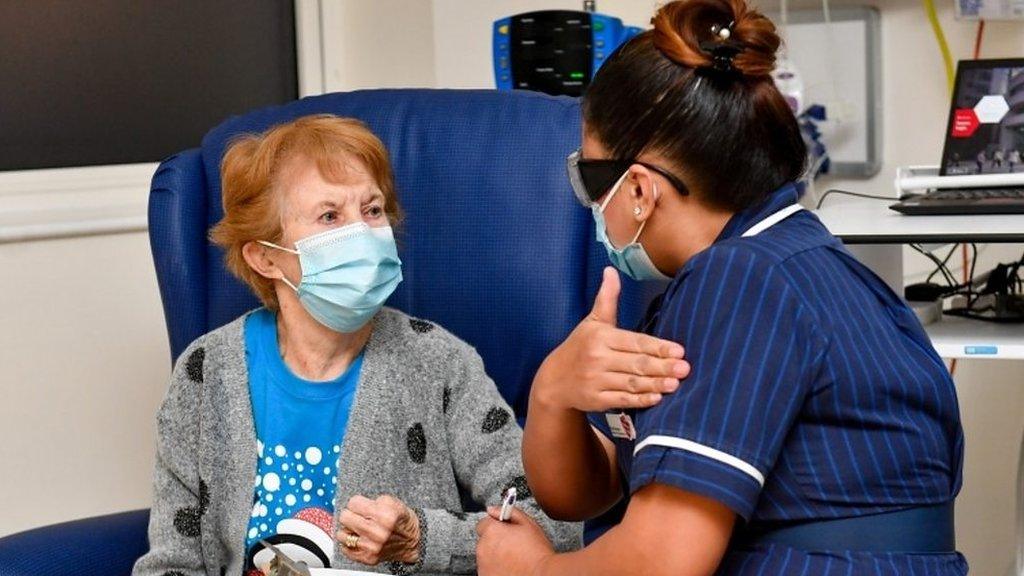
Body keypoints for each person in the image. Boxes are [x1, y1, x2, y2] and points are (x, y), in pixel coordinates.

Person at [475, 1, 967, 574]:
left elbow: (663, 561)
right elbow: (591, 488)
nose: (589, 205)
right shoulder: (797, 262)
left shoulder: (739, 281)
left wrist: (531, 570)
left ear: (638, 189)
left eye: (589, 176)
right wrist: (552, 391)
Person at [132, 114, 580, 576]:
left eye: (372, 210)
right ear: (265, 256)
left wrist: (422, 540)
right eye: (330, 216)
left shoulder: (439, 362)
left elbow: (553, 525)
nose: (364, 234)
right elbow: (171, 563)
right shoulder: (206, 372)